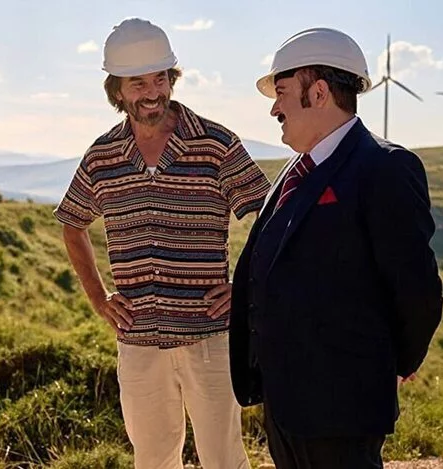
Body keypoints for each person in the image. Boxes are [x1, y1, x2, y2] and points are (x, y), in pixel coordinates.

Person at [54, 17, 270, 469]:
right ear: (117, 91)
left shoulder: (216, 144)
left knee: (224, 459)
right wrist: (98, 298)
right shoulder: (101, 156)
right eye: (138, 83)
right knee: (152, 460)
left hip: (210, 337)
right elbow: (72, 224)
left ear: (172, 78)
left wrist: (248, 288)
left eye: (160, 79)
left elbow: (269, 218)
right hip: (138, 342)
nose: (152, 92)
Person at [228, 27, 443, 469]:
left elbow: (417, 289)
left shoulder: (384, 167)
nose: (274, 108)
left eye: (282, 92)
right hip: (286, 405)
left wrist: (389, 366)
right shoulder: (295, 170)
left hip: (342, 407)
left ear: (320, 92)